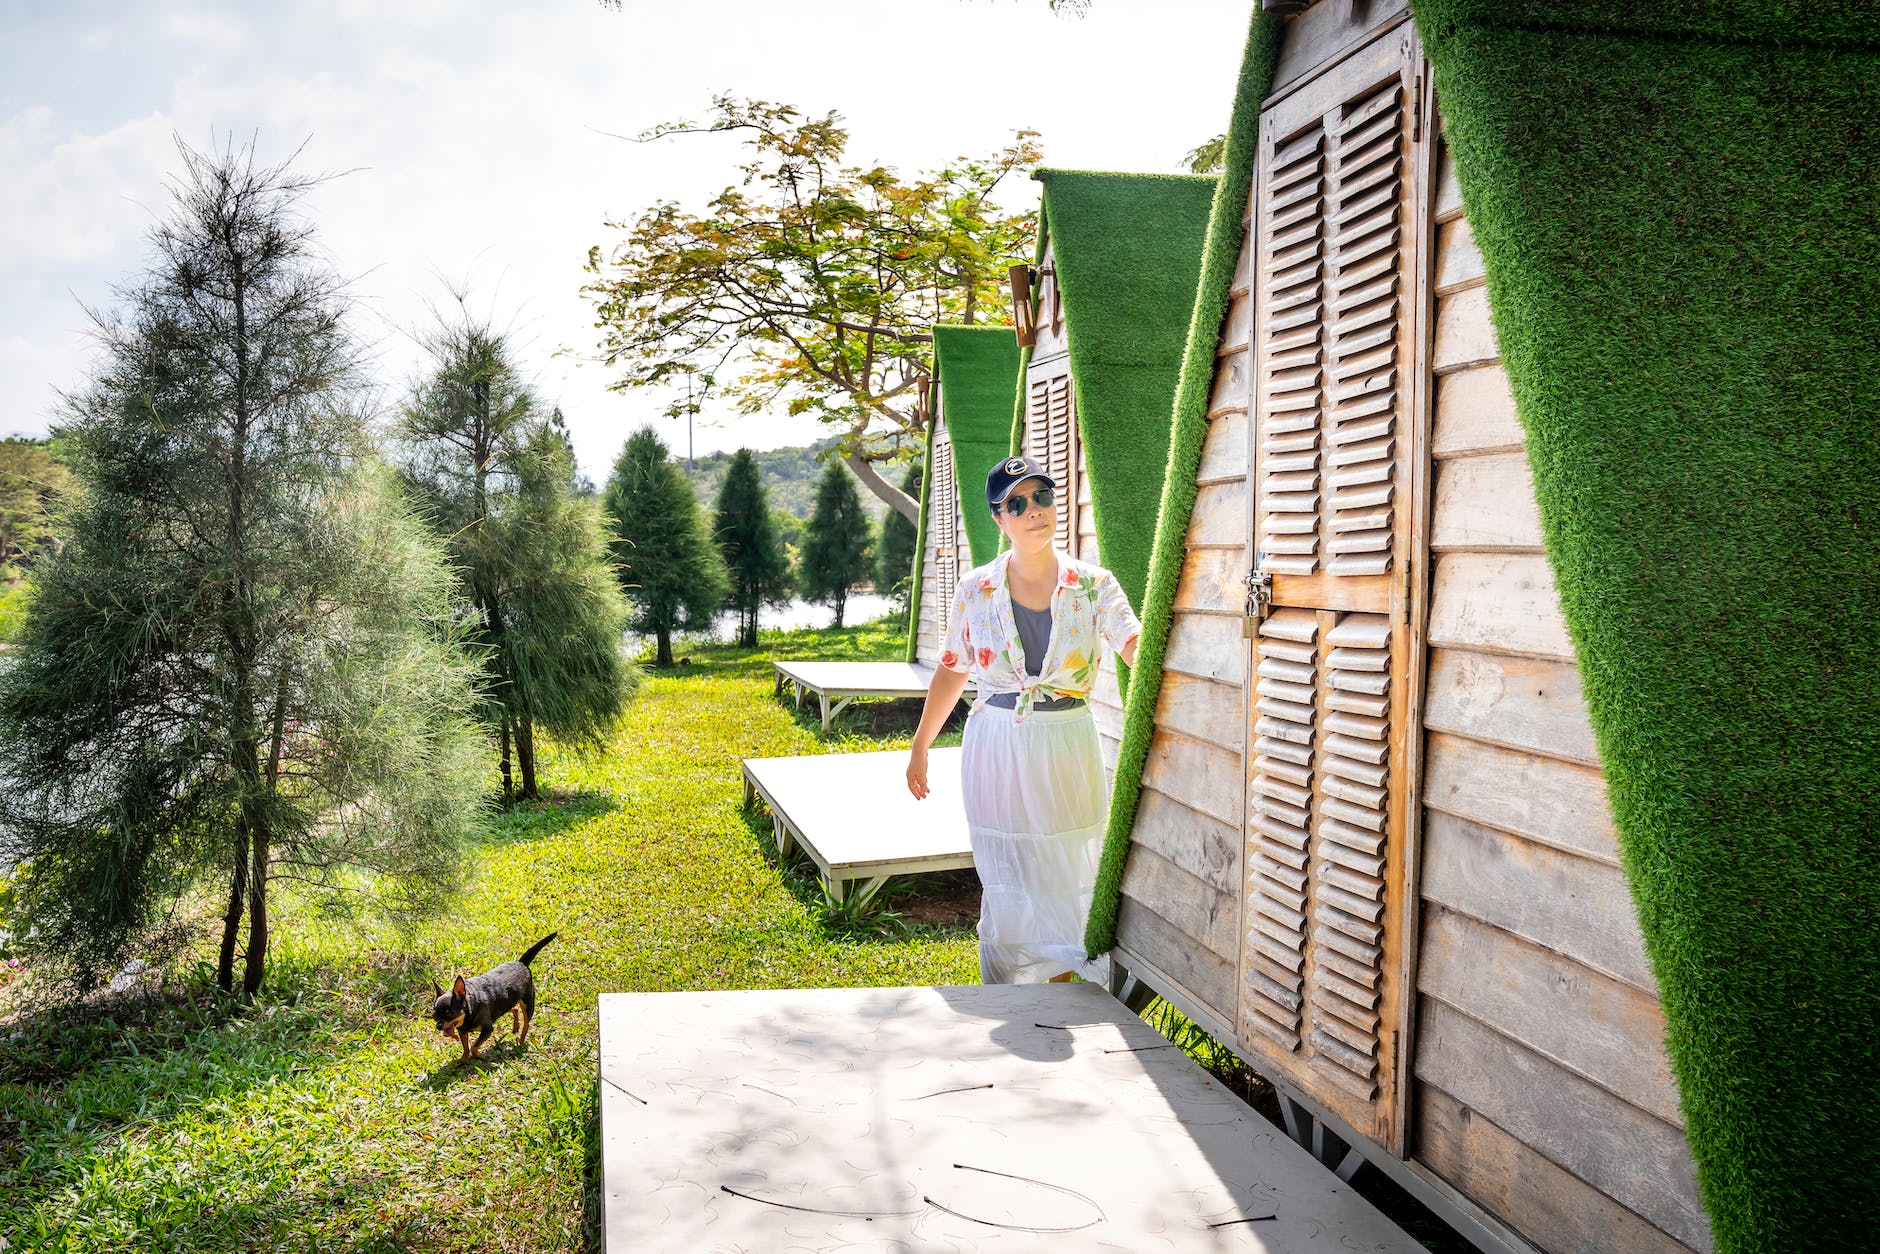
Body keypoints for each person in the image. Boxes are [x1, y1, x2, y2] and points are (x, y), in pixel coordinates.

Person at [906, 455, 1141, 985]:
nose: (1034, 510)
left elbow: (1135, 646)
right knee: (1008, 866)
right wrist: (921, 746)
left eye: (1043, 496)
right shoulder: (975, 589)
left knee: (1069, 859)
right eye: (1017, 502)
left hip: (1067, 740)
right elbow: (951, 669)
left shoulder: (1094, 584)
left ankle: (1060, 984)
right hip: (996, 741)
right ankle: (1009, 988)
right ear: (999, 518)